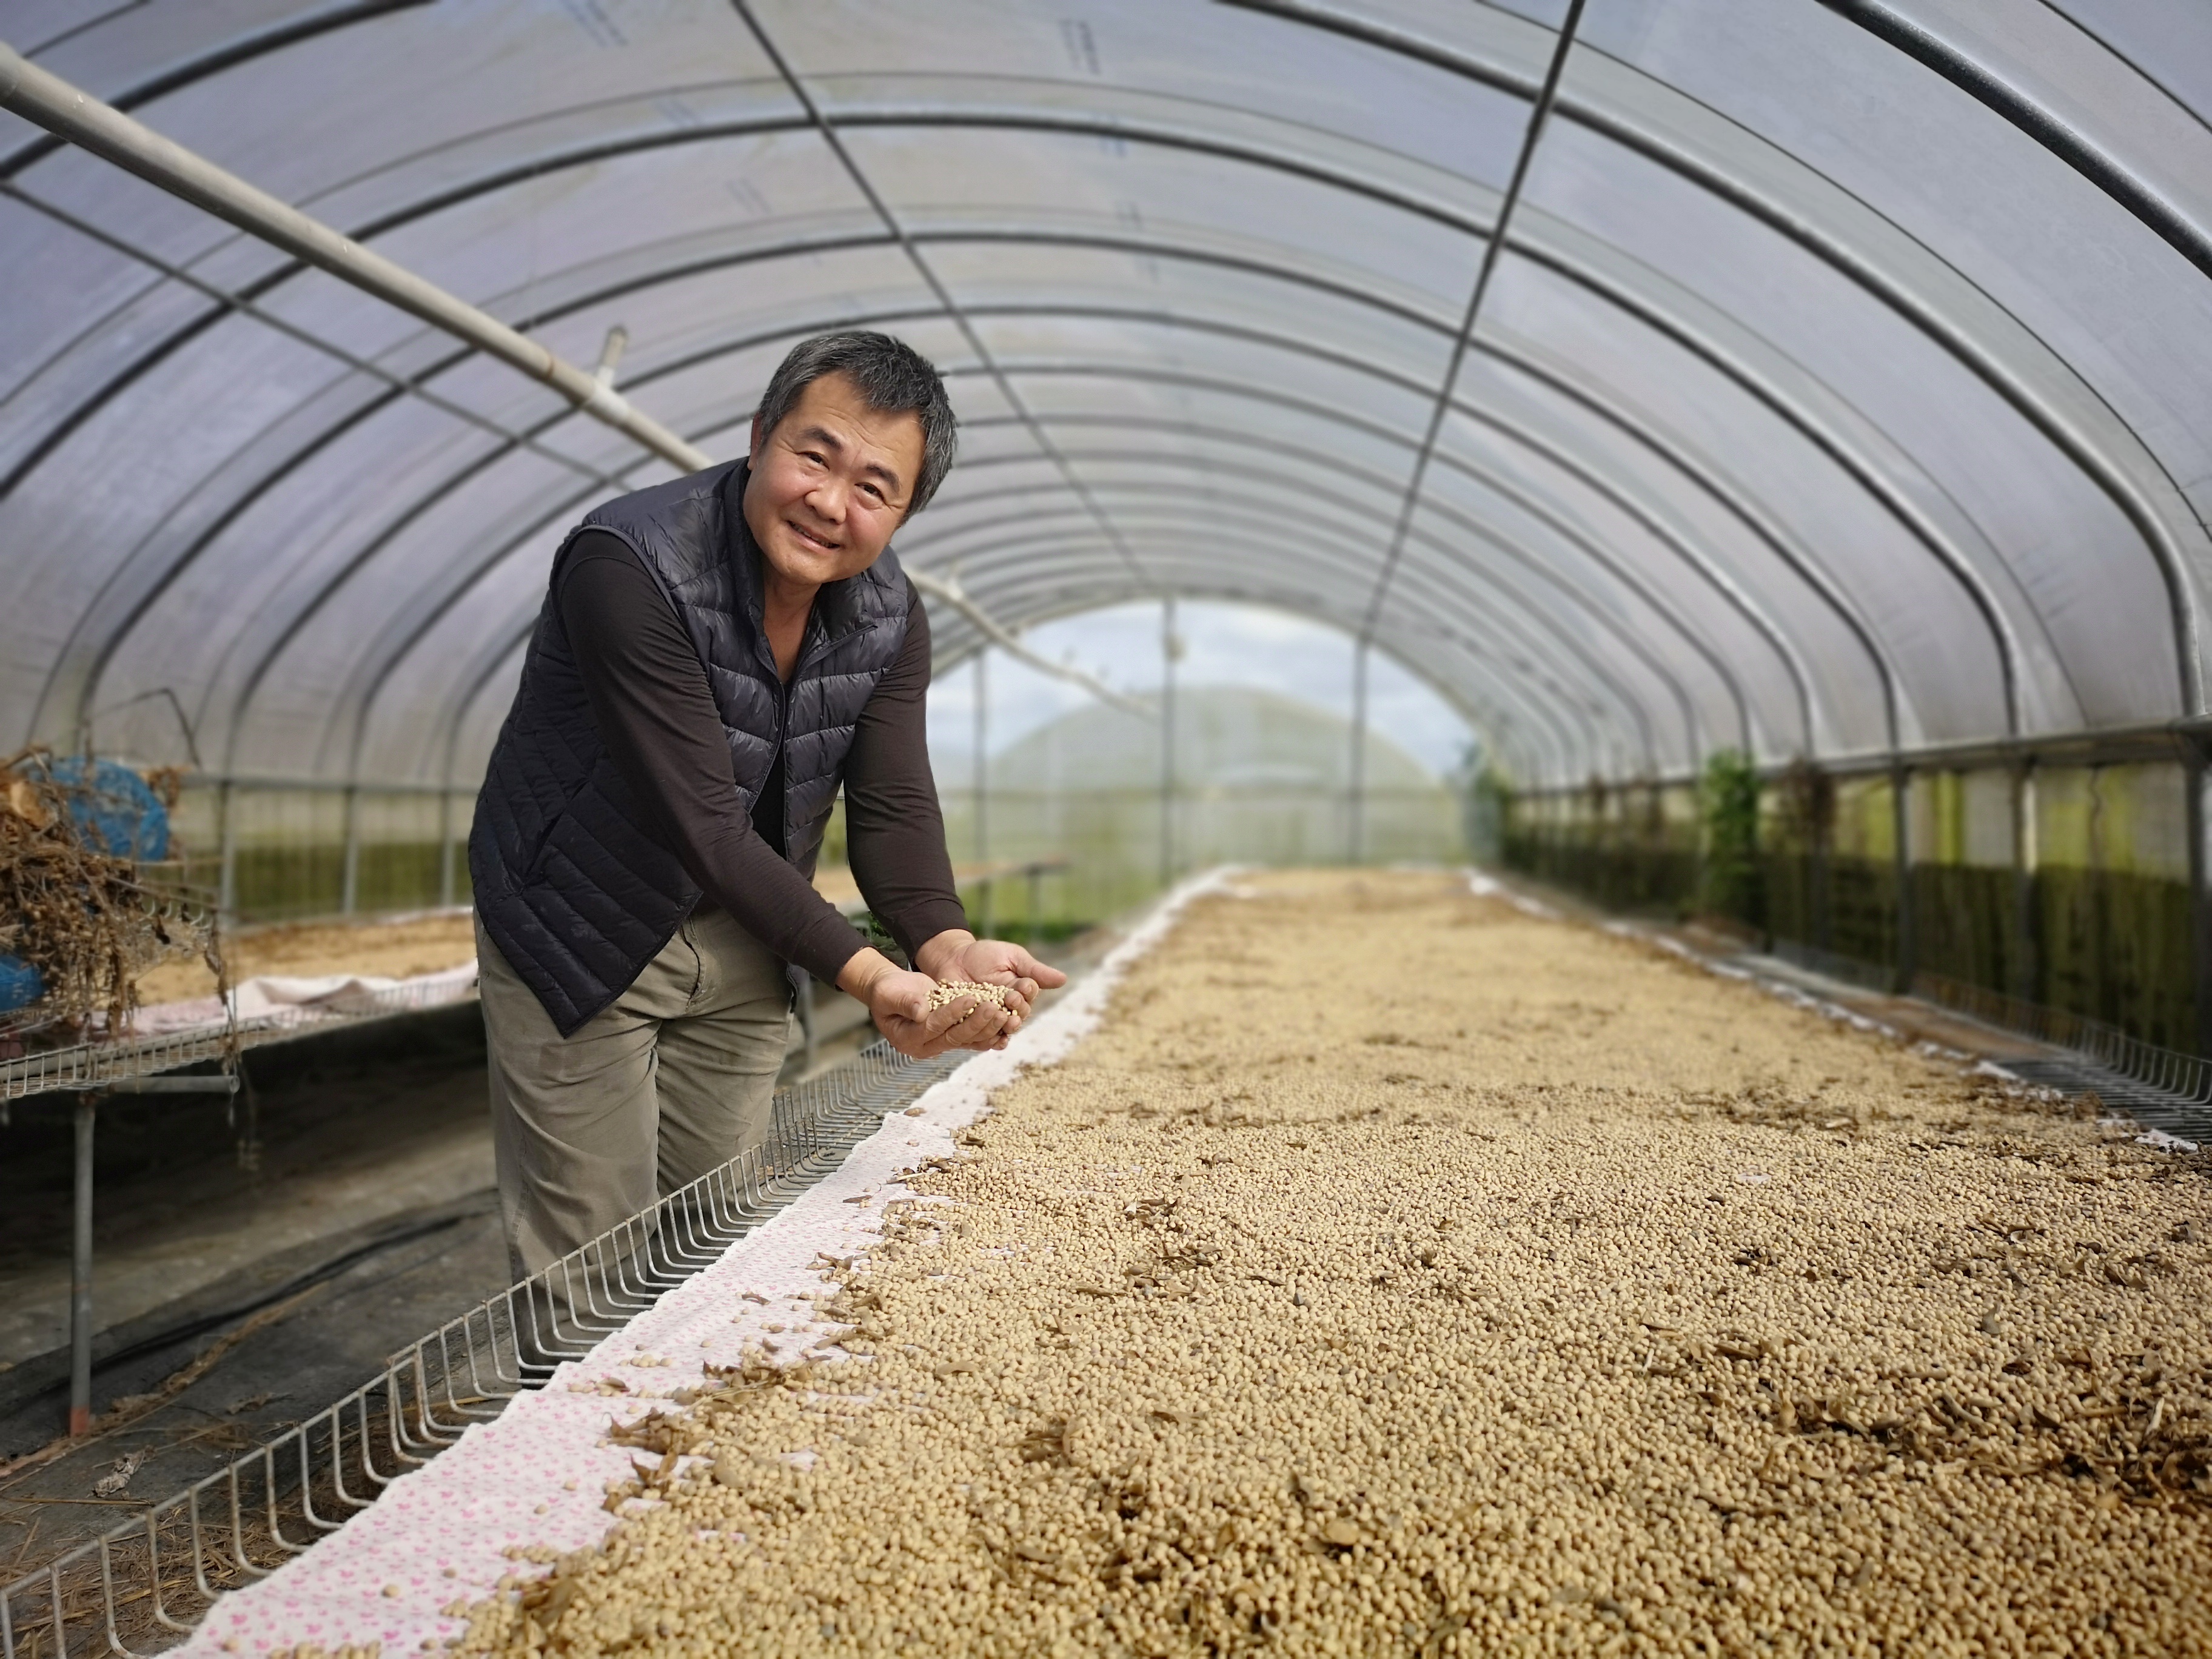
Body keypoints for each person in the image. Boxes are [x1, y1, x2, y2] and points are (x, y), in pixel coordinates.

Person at [468, 330, 1065, 1281]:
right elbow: (702, 817)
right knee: (590, 1258)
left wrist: (945, 946)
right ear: (759, 439)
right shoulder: (628, 565)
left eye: (875, 487)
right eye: (813, 457)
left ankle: (685, 1428)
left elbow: (894, 798)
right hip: (582, 917)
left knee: (717, 1229)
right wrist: (872, 979)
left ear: (906, 512)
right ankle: (574, 1421)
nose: (832, 503)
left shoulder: (889, 614)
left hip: (751, 928)